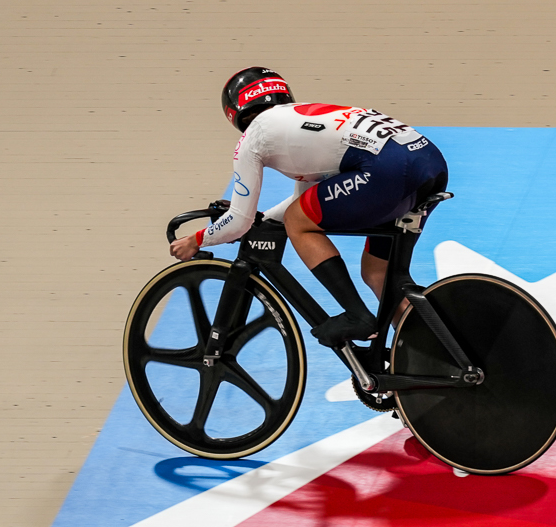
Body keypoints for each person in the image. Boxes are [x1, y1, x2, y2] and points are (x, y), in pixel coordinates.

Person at [170, 67, 448, 347]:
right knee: (379, 274)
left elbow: (240, 221)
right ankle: (436, 349)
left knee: (297, 221)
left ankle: (357, 316)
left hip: (389, 172)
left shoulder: (255, 135)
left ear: (235, 112)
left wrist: (196, 240)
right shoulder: (299, 120)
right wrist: (265, 218)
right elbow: (305, 199)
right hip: (428, 163)